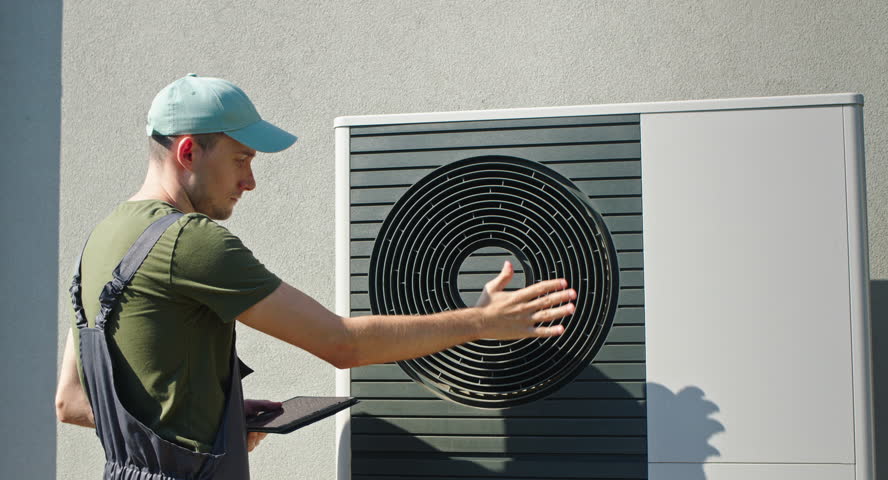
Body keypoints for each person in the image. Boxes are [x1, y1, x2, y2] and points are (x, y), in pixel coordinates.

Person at [54, 74, 576, 479]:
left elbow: (72, 402)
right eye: (241, 159)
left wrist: (215, 419)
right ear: (188, 151)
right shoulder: (190, 241)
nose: (250, 181)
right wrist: (479, 322)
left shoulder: (97, 244)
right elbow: (341, 344)